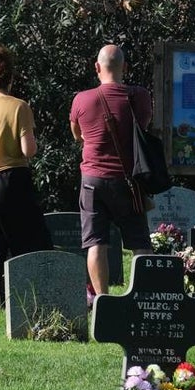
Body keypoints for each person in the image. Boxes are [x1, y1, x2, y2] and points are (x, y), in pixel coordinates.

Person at [0, 44, 53, 312]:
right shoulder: (19, 107)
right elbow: (29, 150)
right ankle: (32, 298)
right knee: (28, 240)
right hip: (13, 180)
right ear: (10, 75)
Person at [69, 44, 154, 298]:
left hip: (93, 180)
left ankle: (102, 299)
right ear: (125, 68)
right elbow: (143, 126)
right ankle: (142, 297)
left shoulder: (82, 99)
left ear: (96, 67)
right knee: (140, 243)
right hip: (129, 180)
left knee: (96, 243)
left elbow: (77, 135)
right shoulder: (139, 96)